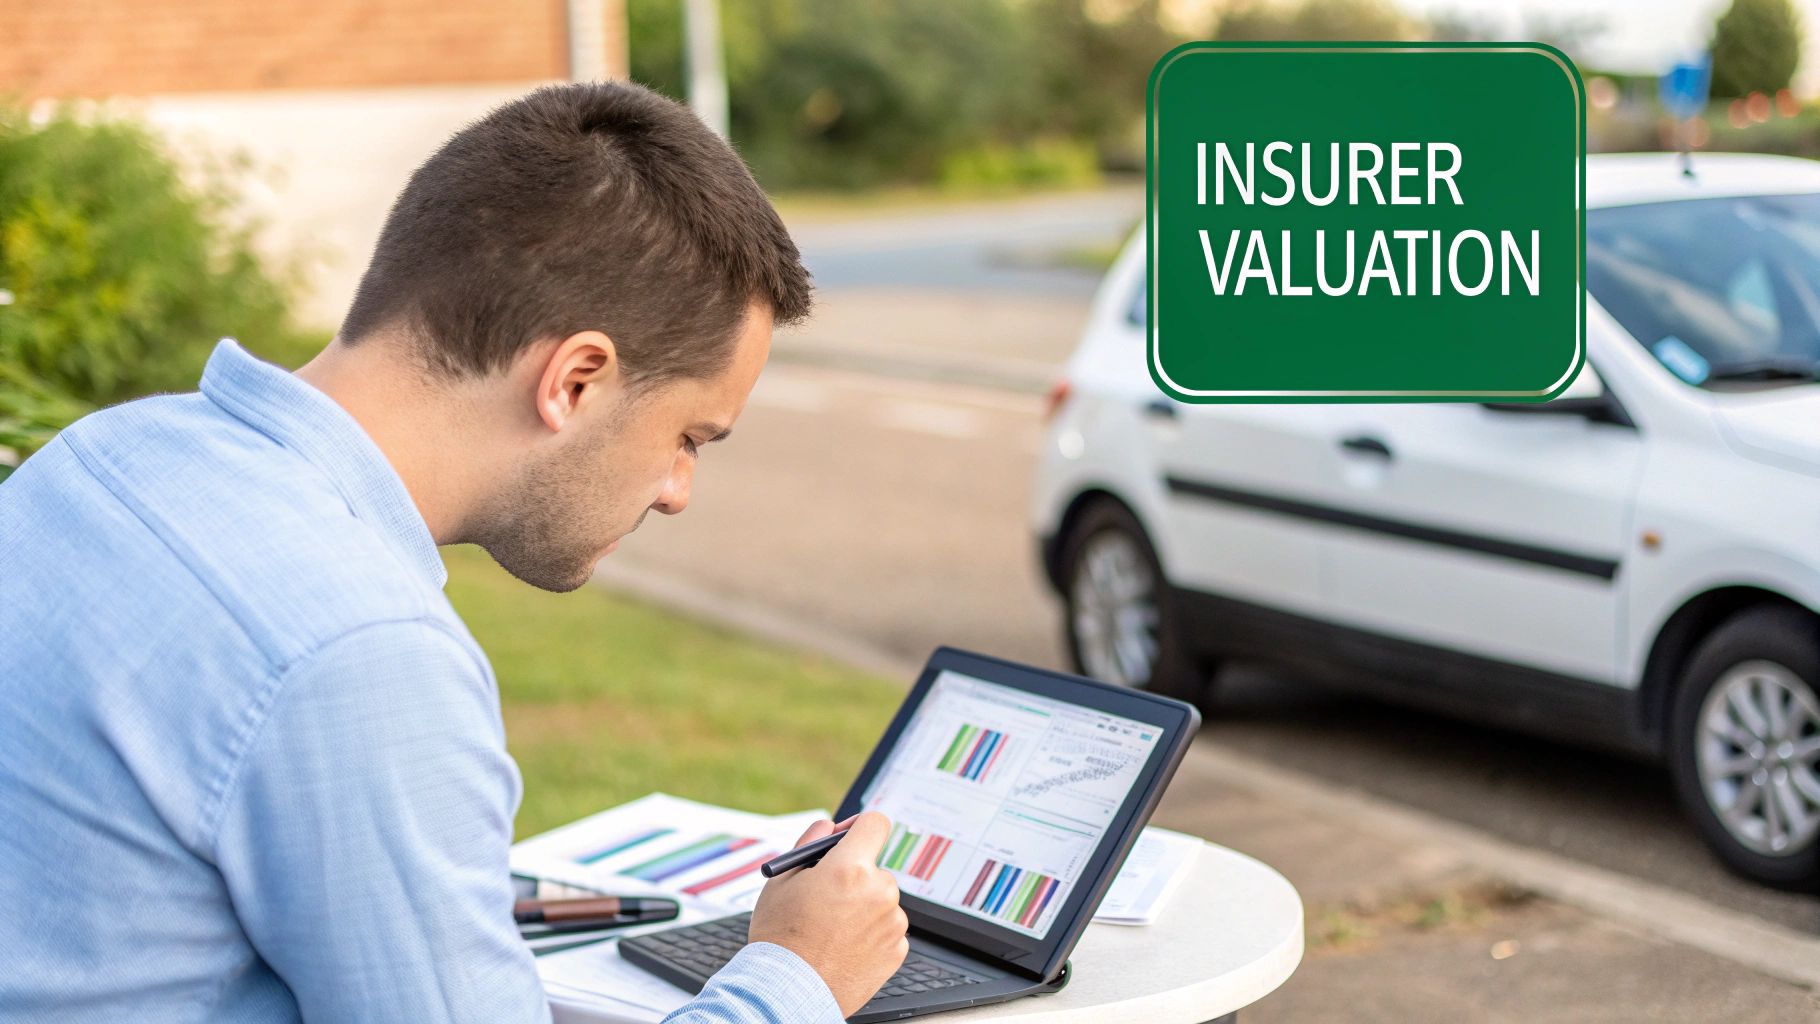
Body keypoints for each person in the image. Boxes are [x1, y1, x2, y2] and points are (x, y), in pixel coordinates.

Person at [0, 82, 908, 1022]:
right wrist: (797, 975)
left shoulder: (106, 455)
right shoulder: (357, 647)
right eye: (690, 437)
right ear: (576, 380)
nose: (678, 491)